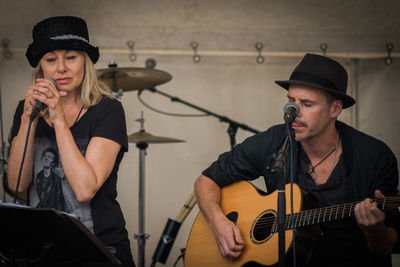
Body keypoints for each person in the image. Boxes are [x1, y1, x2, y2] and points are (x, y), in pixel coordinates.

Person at [194, 54, 399, 266]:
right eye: (291, 102)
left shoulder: (374, 156)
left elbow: (385, 248)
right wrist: (219, 223)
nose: (294, 112)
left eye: (307, 104)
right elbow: (206, 180)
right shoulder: (274, 142)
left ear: (335, 109)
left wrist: (375, 231)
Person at [7, 16, 135, 267]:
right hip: (42, 248)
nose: (61, 68)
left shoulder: (108, 110)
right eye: (51, 59)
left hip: (100, 246)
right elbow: (17, 185)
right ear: (41, 67)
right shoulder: (27, 110)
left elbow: (85, 190)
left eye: (71, 57)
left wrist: (59, 122)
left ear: (85, 63)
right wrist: (27, 121)